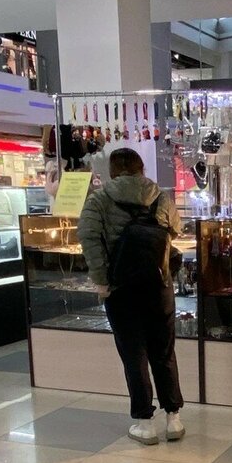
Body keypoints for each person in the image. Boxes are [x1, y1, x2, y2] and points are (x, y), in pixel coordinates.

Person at [77, 147, 184, 445]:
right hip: (159, 284)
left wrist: (102, 281)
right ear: (142, 169)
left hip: (121, 289)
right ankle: (174, 418)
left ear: (111, 172)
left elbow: (89, 240)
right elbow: (175, 230)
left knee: (133, 355)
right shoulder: (160, 197)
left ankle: (145, 423)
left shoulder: (98, 200)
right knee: (164, 352)